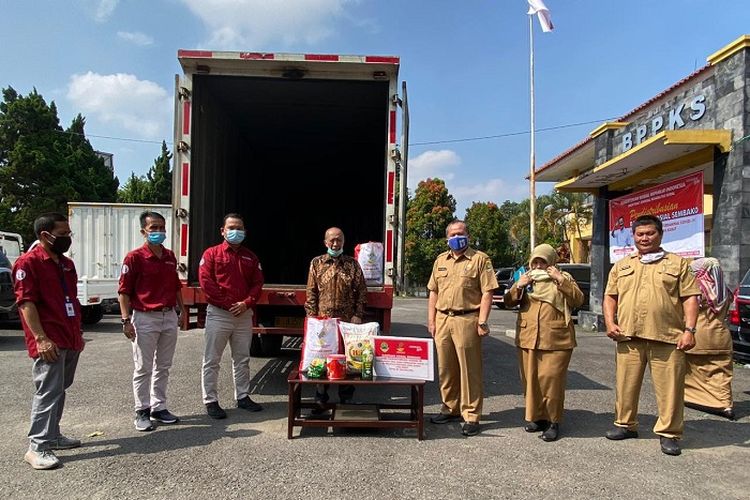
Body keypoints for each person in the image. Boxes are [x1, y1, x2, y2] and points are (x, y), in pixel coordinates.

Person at [603, 214, 700, 456]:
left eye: (650, 233)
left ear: (660, 235)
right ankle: (625, 425)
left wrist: (690, 330)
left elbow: (690, 298)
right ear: (633, 236)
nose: (644, 238)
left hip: (667, 338)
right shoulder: (622, 265)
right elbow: (610, 296)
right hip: (628, 337)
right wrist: (609, 321)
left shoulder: (677, 264)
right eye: (640, 234)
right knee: (625, 385)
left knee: (670, 390)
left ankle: (669, 433)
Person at [13, 213, 82, 470]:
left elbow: (71, 300)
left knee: (60, 388)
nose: (67, 239)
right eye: (62, 234)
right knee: (48, 391)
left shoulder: (65, 264)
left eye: (68, 234)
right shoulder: (27, 264)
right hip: (49, 340)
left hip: (69, 336)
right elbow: (25, 303)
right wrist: (41, 338)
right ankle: (37, 446)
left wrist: (78, 334)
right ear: (45, 235)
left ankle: (53, 435)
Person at [504, 243, 584, 442]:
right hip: (528, 338)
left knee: (551, 381)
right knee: (531, 381)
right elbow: (508, 302)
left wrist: (559, 280)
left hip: (556, 339)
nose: (538, 266)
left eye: (543, 262)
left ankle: (553, 421)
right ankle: (537, 417)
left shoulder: (563, 278)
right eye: (535, 261)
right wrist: (518, 286)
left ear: (551, 262)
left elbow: (578, 300)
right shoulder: (526, 279)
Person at [427, 220, 498, 437]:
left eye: (462, 232)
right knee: (446, 369)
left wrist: (482, 320)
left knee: (470, 369)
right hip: (443, 319)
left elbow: (488, 292)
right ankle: (450, 407)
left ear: (468, 235)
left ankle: (471, 415)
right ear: (447, 238)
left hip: (467, 319)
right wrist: (431, 321)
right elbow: (433, 292)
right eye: (454, 234)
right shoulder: (440, 261)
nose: (458, 236)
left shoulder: (479, 259)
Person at [118, 211, 186, 432]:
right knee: (143, 367)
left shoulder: (169, 256)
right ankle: (142, 411)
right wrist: (126, 320)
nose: (158, 232)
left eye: (161, 228)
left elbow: (176, 286)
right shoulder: (134, 257)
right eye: (153, 228)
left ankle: (159, 407)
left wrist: (182, 310)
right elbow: (124, 292)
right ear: (143, 231)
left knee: (163, 366)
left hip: (168, 316)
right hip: (145, 317)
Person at [199, 213, 264, 419]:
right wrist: (228, 305)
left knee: (242, 359)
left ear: (245, 232)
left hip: (243, 314)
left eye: (240, 228)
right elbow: (206, 283)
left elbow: (257, 283)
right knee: (212, 360)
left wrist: (246, 303)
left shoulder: (250, 257)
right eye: (231, 227)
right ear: (223, 231)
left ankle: (243, 396)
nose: (236, 231)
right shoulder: (211, 254)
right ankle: (210, 401)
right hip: (219, 314)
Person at [304, 227, 368, 408]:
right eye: (332, 240)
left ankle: (346, 396)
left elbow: (362, 292)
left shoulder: (352, 264)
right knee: (321, 358)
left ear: (343, 241)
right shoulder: (317, 263)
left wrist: (358, 315)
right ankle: (320, 396)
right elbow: (311, 293)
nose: (335, 243)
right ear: (325, 242)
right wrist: (312, 318)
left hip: (347, 322)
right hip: (323, 322)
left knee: (347, 358)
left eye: (338, 240)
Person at [684, 257, 735, 420]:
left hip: (699, 337)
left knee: (693, 371)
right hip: (721, 337)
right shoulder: (724, 291)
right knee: (720, 372)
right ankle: (724, 404)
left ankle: (693, 398)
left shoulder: (698, 289)